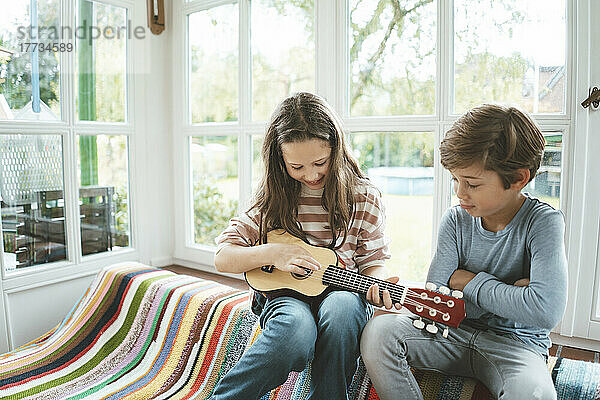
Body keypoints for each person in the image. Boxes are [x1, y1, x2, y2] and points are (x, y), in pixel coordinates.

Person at [360, 104, 568, 400]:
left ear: (519, 179)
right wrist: (512, 294)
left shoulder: (544, 222)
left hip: (517, 346)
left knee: (537, 395)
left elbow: (545, 310)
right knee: (378, 333)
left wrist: (468, 283)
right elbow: (438, 297)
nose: (459, 192)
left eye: (472, 183)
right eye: (456, 179)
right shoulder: (455, 219)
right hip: (449, 334)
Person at [210, 92, 393, 400]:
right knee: (295, 330)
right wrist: (274, 253)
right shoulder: (271, 199)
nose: (311, 175)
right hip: (285, 297)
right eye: (297, 166)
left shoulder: (364, 197)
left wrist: (379, 283)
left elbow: (373, 260)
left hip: (343, 291)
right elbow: (223, 257)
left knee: (343, 309)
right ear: (279, 161)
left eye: (320, 162)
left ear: (336, 148)